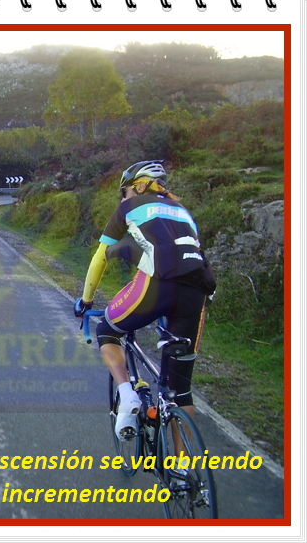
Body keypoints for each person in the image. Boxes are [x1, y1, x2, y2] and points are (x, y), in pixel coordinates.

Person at [74, 160, 216, 443]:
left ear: (138, 186)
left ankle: (127, 395)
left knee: (107, 330)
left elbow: (101, 257)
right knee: (181, 392)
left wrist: (86, 301)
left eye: (124, 191)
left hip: (157, 285)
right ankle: (182, 464)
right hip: (197, 293)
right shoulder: (182, 210)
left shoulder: (129, 206)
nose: (123, 197)